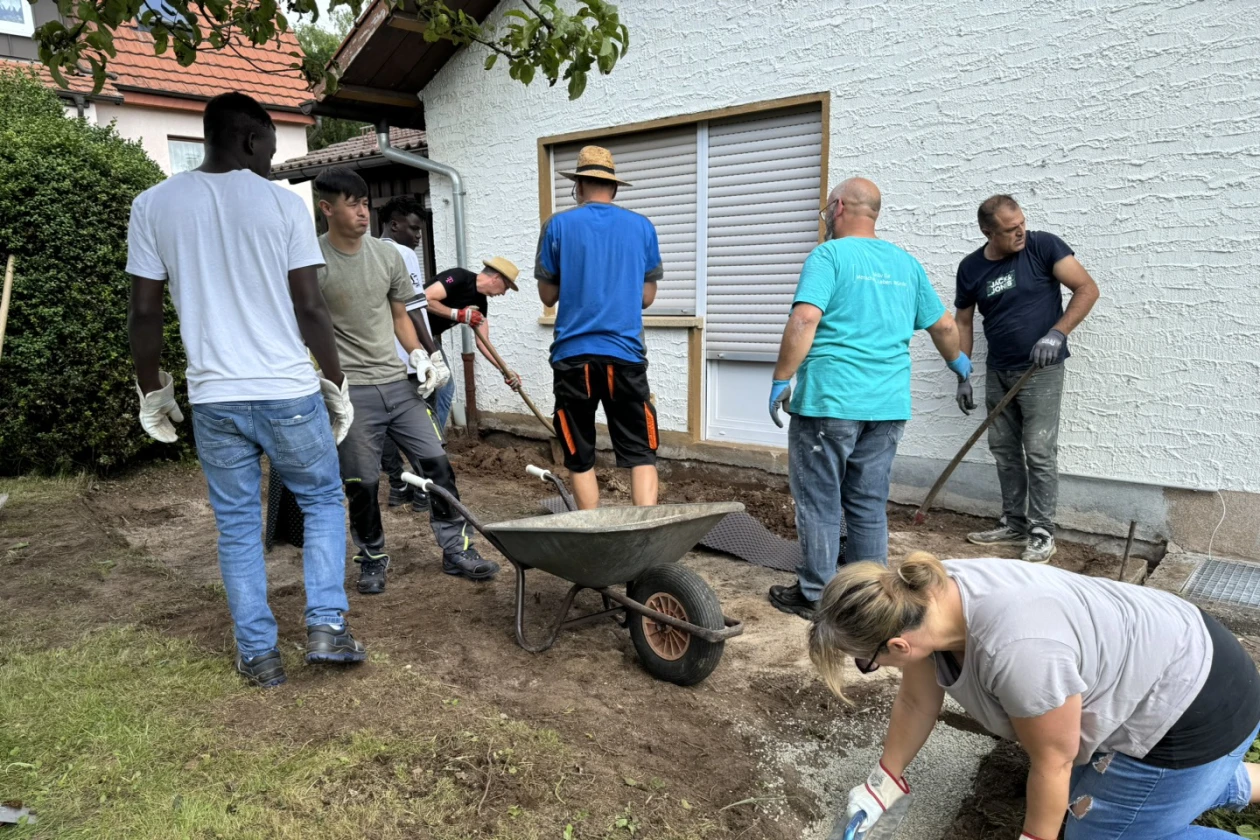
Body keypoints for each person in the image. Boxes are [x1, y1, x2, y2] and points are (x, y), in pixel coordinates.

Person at [127, 92, 366, 688]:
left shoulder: (153, 205)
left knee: (236, 523)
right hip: (286, 390)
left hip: (214, 397)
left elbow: (144, 312)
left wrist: (151, 389)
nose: (272, 161)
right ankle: (326, 627)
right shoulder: (283, 207)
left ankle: (258, 654)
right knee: (322, 501)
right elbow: (309, 306)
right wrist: (335, 381)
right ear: (253, 140)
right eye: (271, 149)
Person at [809, 552, 1260, 840]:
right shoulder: (923, 598)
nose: (868, 669)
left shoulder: (1019, 652)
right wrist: (886, 778)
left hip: (1194, 703)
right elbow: (915, 702)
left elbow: (1054, 761)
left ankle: (1187, 783)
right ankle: (1201, 785)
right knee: (1079, 802)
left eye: (865, 662)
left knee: (1094, 834)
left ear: (897, 646)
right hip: (1175, 650)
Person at [765, 178, 971, 620]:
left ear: (837, 207)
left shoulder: (829, 256)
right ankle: (871, 596)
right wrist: (960, 367)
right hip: (887, 405)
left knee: (820, 500)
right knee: (867, 502)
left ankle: (818, 595)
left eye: (826, 208)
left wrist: (782, 378)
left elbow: (805, 320)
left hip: (830, 401)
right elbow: (945, 327)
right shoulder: (906, 264)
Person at [313, 166, 497, 594]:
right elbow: (307, 320)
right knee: (361, 482)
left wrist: (422, 353)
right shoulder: (312, 260)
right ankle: (373, 557)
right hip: (351, 390)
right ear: (327, 208)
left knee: (436, 465)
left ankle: (457, 550)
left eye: (365, 204)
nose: (362, 213)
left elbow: (401, 314)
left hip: (398, 382)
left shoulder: (387, 255)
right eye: (352, 204)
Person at [955, 195, 1099, 563]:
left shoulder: (1043, 246)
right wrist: (962, 371)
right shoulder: (971, 268)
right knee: (1004, 449)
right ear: (988, 232)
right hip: (1000, 369)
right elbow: (964, 321)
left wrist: (1058, 333)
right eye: (1009, 229)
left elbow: (1086, 288)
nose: (1021, 231)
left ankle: (1041, 529)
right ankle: (1014, 521)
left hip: (1041, 371)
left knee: (1038, 449)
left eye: (1021, 223)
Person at [535, 145, 662, 510]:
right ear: (614, 188)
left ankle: (592, 536)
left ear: (578, 186)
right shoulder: (641, 227)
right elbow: (647, 297)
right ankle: (645, 538)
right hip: (624, 355)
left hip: (573, 358)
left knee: (580, 453)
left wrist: (576, 278)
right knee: (641, 452)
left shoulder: (557, 225)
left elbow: (548, 295)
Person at [375, 195, 437, 514]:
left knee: (384, 428)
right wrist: (432, 353)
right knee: (423, 429)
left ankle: (398, 486)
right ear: (394, 224)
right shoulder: (402, 253)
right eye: (413, 228)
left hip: (382, 362)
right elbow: (413, 310)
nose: (417, 237)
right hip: (411, 360)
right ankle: (426, 489)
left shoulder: (369, 251)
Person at [424, 256, 524, 433]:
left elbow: (483, 342)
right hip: (407, 331)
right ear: (496, 278)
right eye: (506, 287)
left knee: (440, 389)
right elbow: (425, 298)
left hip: (427, 338)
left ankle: (431, 443)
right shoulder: (459, 277)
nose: (504, 293)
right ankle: (432, 445)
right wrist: (458, 315)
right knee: (442, 388)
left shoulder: (480, 303)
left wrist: (505, 370)